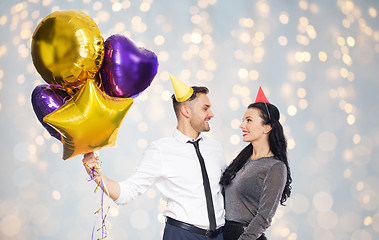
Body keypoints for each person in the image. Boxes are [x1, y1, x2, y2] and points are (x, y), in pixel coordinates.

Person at [82, 74, 226, 240]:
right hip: (182, 235)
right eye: (205, 108)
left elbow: (227, 191)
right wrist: (94, 173)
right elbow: (126, 193)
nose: (211, 114)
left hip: (221, 236)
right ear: (185, 111)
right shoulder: (160, 150)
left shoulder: (215, 148)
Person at [220, 87, 292, 240]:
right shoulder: (242, 160)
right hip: (224, 234)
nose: (242, 125)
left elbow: (264, 217)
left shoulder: (275, 167)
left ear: (267, 127)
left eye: (249, 120)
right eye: (243, 120)